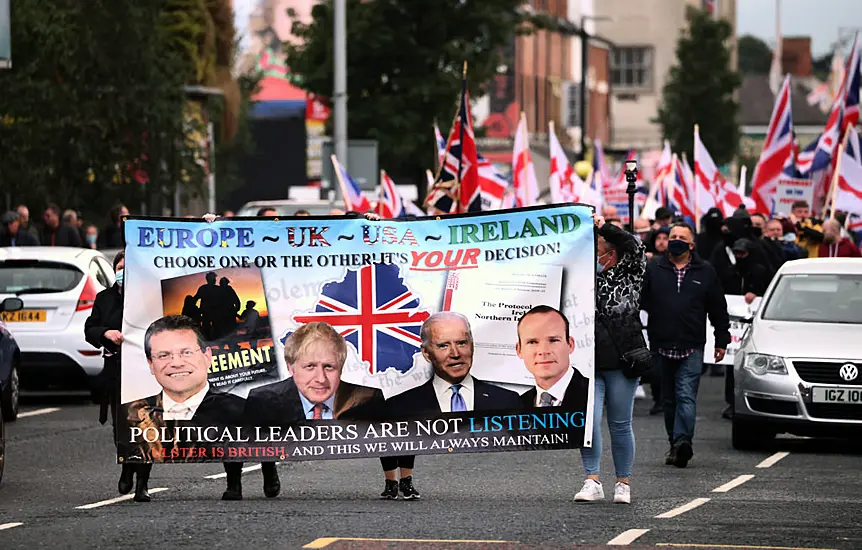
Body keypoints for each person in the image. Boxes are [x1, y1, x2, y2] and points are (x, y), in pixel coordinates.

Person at [383, 312, 522, 500]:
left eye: (462, 343)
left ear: (472, 345)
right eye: (443, 346)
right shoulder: (401, 405)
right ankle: (393, 483)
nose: (455, 354)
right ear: (426, 353)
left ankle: (405, 483)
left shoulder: (509, 400)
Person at [123, 315, 246, 501]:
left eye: (186, 352)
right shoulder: (136, 410)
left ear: (207, 357)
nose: (176, 362)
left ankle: (234, 484)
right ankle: (141, 485)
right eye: (164, 355)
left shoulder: (240, 407)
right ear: (151, 364)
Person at [641, 222, 730, 468]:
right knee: (669, 399)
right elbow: (640, 303)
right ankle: (674, 443)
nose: (675, 240)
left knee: (685, 395)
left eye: (681, 237)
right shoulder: (654, 268)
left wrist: (722, 339)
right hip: (662, 345)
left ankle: (683, 442)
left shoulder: (705, 271)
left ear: (691, 245)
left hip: (691, 345)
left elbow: (718, 309)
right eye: (672, 236)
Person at [572, 215, 646, 504]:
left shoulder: (631, 272)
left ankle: (623, 482)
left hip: (623, 359)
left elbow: (635, 246)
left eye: (598, 250)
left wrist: (603, 226)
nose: (595, 256)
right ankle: (592, 480)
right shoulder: (584, 277)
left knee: (619, 423)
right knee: (588, 422)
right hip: (587, 360)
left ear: (611, 252)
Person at [84, 251, 155, 502]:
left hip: (145, 374)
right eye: (119, 267)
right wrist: (106, 333)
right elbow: (89, 329)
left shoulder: (148, 297)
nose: (123, 272)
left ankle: (142, 484)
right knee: (121, 429)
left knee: (145, 427)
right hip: (116, 373)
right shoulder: (104, 298)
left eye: (128, 267)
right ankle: (127, 464)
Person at [515, 305, 589, 412]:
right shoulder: (517, 405)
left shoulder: (592, 394)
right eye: (532, 342)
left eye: (553, 340)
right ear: (519, 350)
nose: (543, 351)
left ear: (570, 345)